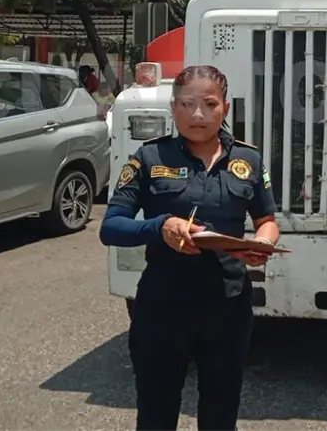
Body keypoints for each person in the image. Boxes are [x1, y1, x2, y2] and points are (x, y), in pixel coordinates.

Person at [99, 64, 280, 431]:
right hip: (163, 308)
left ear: (225, 109)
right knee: (156, 414)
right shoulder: (150, 158)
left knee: (220, 413)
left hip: (227, 308)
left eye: (209, 104)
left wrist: (263, 243)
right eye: (186, 104)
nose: (198, 114)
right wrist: (160, 226)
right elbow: (111, 226)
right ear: (172, 107)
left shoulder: (249, 160)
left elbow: (267, 219)